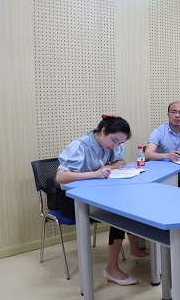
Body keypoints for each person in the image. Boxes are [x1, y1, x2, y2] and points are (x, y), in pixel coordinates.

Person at [56, 115, 148, 286]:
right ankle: (111, 268)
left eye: (120, 143)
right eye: (114, 141)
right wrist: (94, 174)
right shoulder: (80, 146)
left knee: (130, 203)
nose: (115, 146)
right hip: (72, 200)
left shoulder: (111, 145)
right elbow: (60, 177)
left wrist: (108, 167)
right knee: (119, 213)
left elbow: (121, 161)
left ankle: (135, 249)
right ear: (103, 131)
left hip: (97, 194)